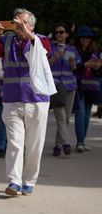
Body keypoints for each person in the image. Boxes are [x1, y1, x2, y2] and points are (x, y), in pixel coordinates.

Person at [0, 8, 52, 196]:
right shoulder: (6, 40)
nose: (16, 25)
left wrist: (26, 34)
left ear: (30, 25)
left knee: (34, 146)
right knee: (15, 142)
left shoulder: (41, 39)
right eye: (14, 22)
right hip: (12, 99)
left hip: (37, 100)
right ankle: (14, 182)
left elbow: (44, 51)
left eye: (20, 22)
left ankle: (29, 181)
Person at [48, 23, 81, 156]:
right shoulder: (50, 48)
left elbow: (76, 67)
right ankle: (66, 143)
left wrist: (73, 64)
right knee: (60, 117)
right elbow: (44, 65)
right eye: (56, 32)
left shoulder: (72, 50)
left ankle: (57, 145)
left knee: (66, 118)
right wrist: (53, 58)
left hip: (70, 87)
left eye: (61, 32)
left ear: (67, 34)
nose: (58, 35)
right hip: (55, 86)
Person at [73, 26, 101, 153]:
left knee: (87, 116)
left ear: (91, 39)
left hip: (91, 87)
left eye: (88, 37)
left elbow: (99, 72)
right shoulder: (74, 51)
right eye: (83, 37)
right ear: (79, 39)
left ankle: (82, 142)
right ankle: (79, 142)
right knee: (80, 114)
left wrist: (97, 67)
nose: (85, 40)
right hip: (78, 86)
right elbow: (72, 67)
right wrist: (85, 65)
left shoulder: (96, 52)